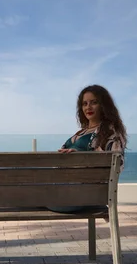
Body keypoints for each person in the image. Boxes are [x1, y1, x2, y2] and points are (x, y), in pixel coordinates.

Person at [48, 84, 127, 213]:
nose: (88, 107)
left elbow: (116, 164)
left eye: (94, 102)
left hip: (84, 196)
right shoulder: (80, 134)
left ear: (104, 105)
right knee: (28, 193)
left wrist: (82, 157)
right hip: (65, 190)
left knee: (27, 196)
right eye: (84, 104)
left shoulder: (111, 133)